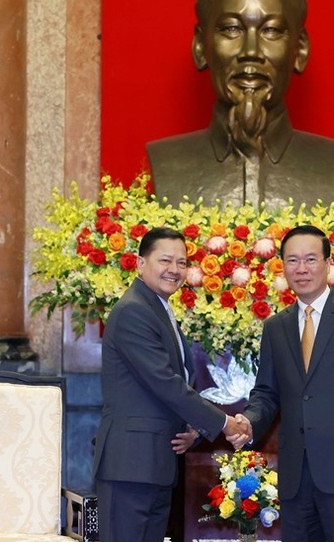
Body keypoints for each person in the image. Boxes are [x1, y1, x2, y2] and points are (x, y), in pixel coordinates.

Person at [231, 225, 334, 542]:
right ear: (282, 266)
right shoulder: (276, 326)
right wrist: (249, 421)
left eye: (310, 259)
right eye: (293, 261)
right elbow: (267, 393)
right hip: (296, 476)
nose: (302, 269)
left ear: (327, 263)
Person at [147, 0, 334, 209]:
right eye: (231, 29)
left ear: (299, 50)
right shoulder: (166, 163)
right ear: (200, 47)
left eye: (271, 30)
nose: (251, 51)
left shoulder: (332, 163)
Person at [92, 227, 250, 542]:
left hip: (154, 462)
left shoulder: (159, 308)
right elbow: (164, 382)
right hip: (131, 464)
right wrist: (224, 423)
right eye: (165, 260)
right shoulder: (134, 311)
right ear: (139, 263)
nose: (174, 270)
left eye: (181, 263)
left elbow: (174, 382)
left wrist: (191, 425)